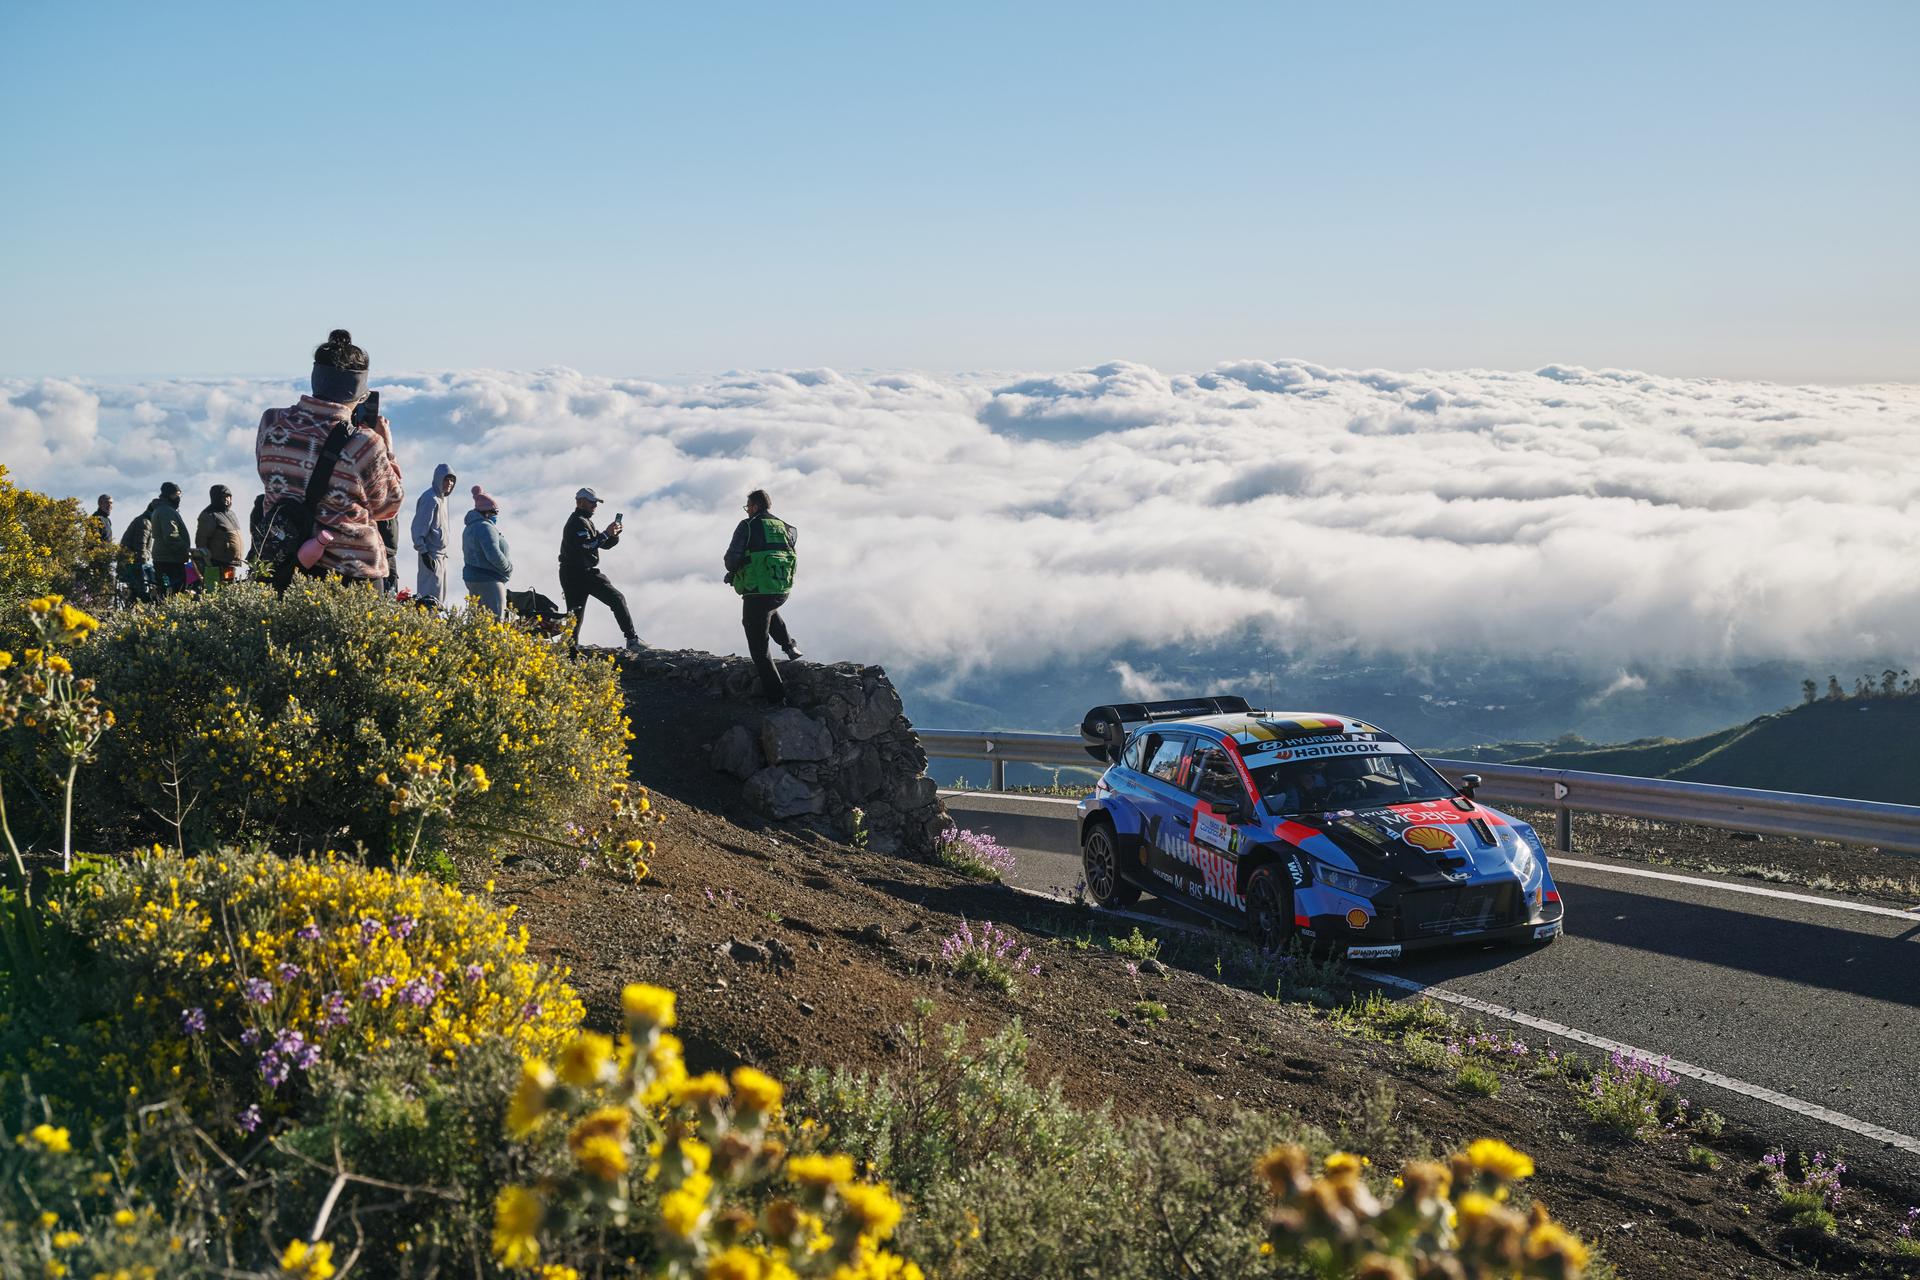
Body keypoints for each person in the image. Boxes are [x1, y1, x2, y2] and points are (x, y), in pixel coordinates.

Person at [255, 330, 404, 586]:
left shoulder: (272, 422)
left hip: (283, 564)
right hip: (350, 574)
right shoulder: (364, 444)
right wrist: (387, 449)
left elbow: (267, 473)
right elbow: (388, 506)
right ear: (359, 393)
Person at [724, 488, 801, 704]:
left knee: (758, 648)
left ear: (755, 506)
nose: (747, 510)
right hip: (781, 589)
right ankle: (790, 646)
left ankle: (777, 698)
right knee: (768, 610)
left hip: (757, 590)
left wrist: (733, 572)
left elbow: (732, 559)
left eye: (748, 506)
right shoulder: (786, 527)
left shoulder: (747, 526)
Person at [559, 487, 640, 655]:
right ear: (580, 502)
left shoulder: (584, 520)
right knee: (614, 599)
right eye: (592, 502)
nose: (595, 506)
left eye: (596, 503)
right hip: (579, 574)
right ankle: (632, 640)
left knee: (575, 614)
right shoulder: (577, 522)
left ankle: (569, 650)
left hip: (575, 573)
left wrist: (613, 535)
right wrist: (606, 533)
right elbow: (587, 546)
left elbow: (601, 543)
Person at [462, 486, 513, 620]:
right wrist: (508, 568)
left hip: (473, 578)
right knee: (496, 621)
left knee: (477, 621)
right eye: (495, 512)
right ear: (487, 512)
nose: (496, 515)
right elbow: (493, 553)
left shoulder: (470, 527)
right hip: (489, 580)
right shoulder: (485, 527)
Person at [411, 463, 458, 605]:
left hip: (441, 556)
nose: (449, 483)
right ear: (438, 479)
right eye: (446, 479)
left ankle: (435, 625)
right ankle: (426, 625)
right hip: (431, 554)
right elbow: (418, 527)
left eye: (452, 480)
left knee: (439, 599)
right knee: (428, 596)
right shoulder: (430, 498)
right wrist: (424, 552)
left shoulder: (442, 499)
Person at [148, 482, 194, 596]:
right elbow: (171, 536)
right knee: (175, 592)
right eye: (177, 494)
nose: (178, 498)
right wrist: (185, 549)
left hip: (164, 558)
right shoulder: (166, 511)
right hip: (169, 560)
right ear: (169, 495)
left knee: (165, 591)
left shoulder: (162, 509)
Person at [194, 484, 245, 585]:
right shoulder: (209, 514)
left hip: (231, 561)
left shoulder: (231, 514)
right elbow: (201, 539)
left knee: (228, 588)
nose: (227, 499)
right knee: (215, 588)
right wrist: (206, 560)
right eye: (224, 496)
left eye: (229, 496)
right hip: (217, 561)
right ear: (216, 498)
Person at [117, 504, 154, 604]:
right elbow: (140, 545)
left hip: (129, 561)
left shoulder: (143, 520)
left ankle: (131, 609)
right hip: (134, 563)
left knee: (134, 591)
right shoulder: (145, 523)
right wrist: (144, 562)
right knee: (140, 591)